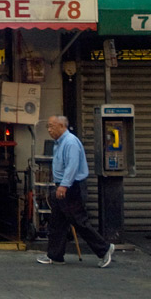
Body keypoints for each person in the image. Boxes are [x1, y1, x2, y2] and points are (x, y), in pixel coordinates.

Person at [36, 115, 115, 268]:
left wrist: (64, 185)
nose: (49, 130)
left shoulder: (70, 142)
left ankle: (104, 249)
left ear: (61, 126)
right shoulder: (59, 143)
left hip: (70, 187)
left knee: (79, 221)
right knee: (57, 222)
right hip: (61, 185)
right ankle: (55, 255)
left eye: (52, 126)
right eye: (48, 127)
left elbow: (72, 166)